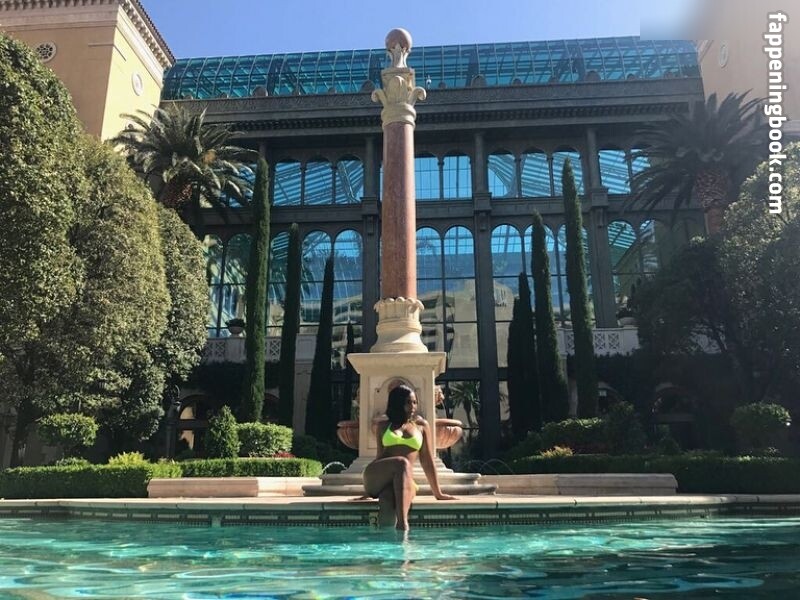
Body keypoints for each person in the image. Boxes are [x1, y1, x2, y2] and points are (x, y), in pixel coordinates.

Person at [362, 384, 456, 530]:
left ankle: (387, 539)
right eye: (407, 402)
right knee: (402, 463)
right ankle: (403, 524)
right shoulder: (384, 426)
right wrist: (370, 488)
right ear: (397, 403)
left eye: (414, 402)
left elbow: (427, 460)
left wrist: (438, 493)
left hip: (404, 480)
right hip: (378, 475)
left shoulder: (421, 426)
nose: (412, 406)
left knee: (387, 499)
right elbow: (380, 457)